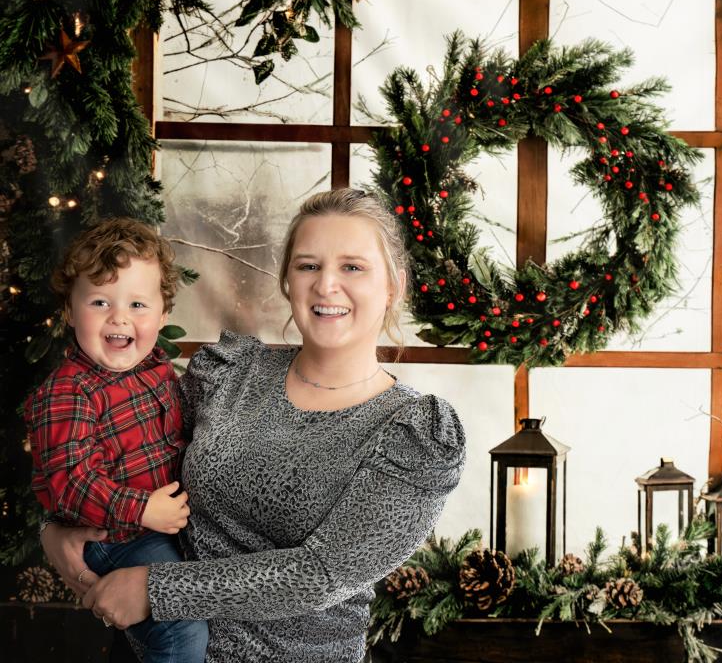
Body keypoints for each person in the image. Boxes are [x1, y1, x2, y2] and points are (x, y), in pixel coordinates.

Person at [41, 188, 468, 663]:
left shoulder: (412, 432)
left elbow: (321, 573)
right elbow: (124, 451)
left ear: (394, 286)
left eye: (353, 267)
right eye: (308, 265)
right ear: (287, 280)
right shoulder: (231, 373)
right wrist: (55, 532)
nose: (326, 285)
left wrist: (155, 588)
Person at [25, 217, 209, 662]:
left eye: (138, 305)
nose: (119, 317)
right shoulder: (68, 392)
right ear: (70, 310)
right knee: (180, 626)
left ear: (164, 315)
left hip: (163, 529)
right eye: (100, 301)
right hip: (117, 535)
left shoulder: (158, 370)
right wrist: (144, 508)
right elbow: (71, 482)